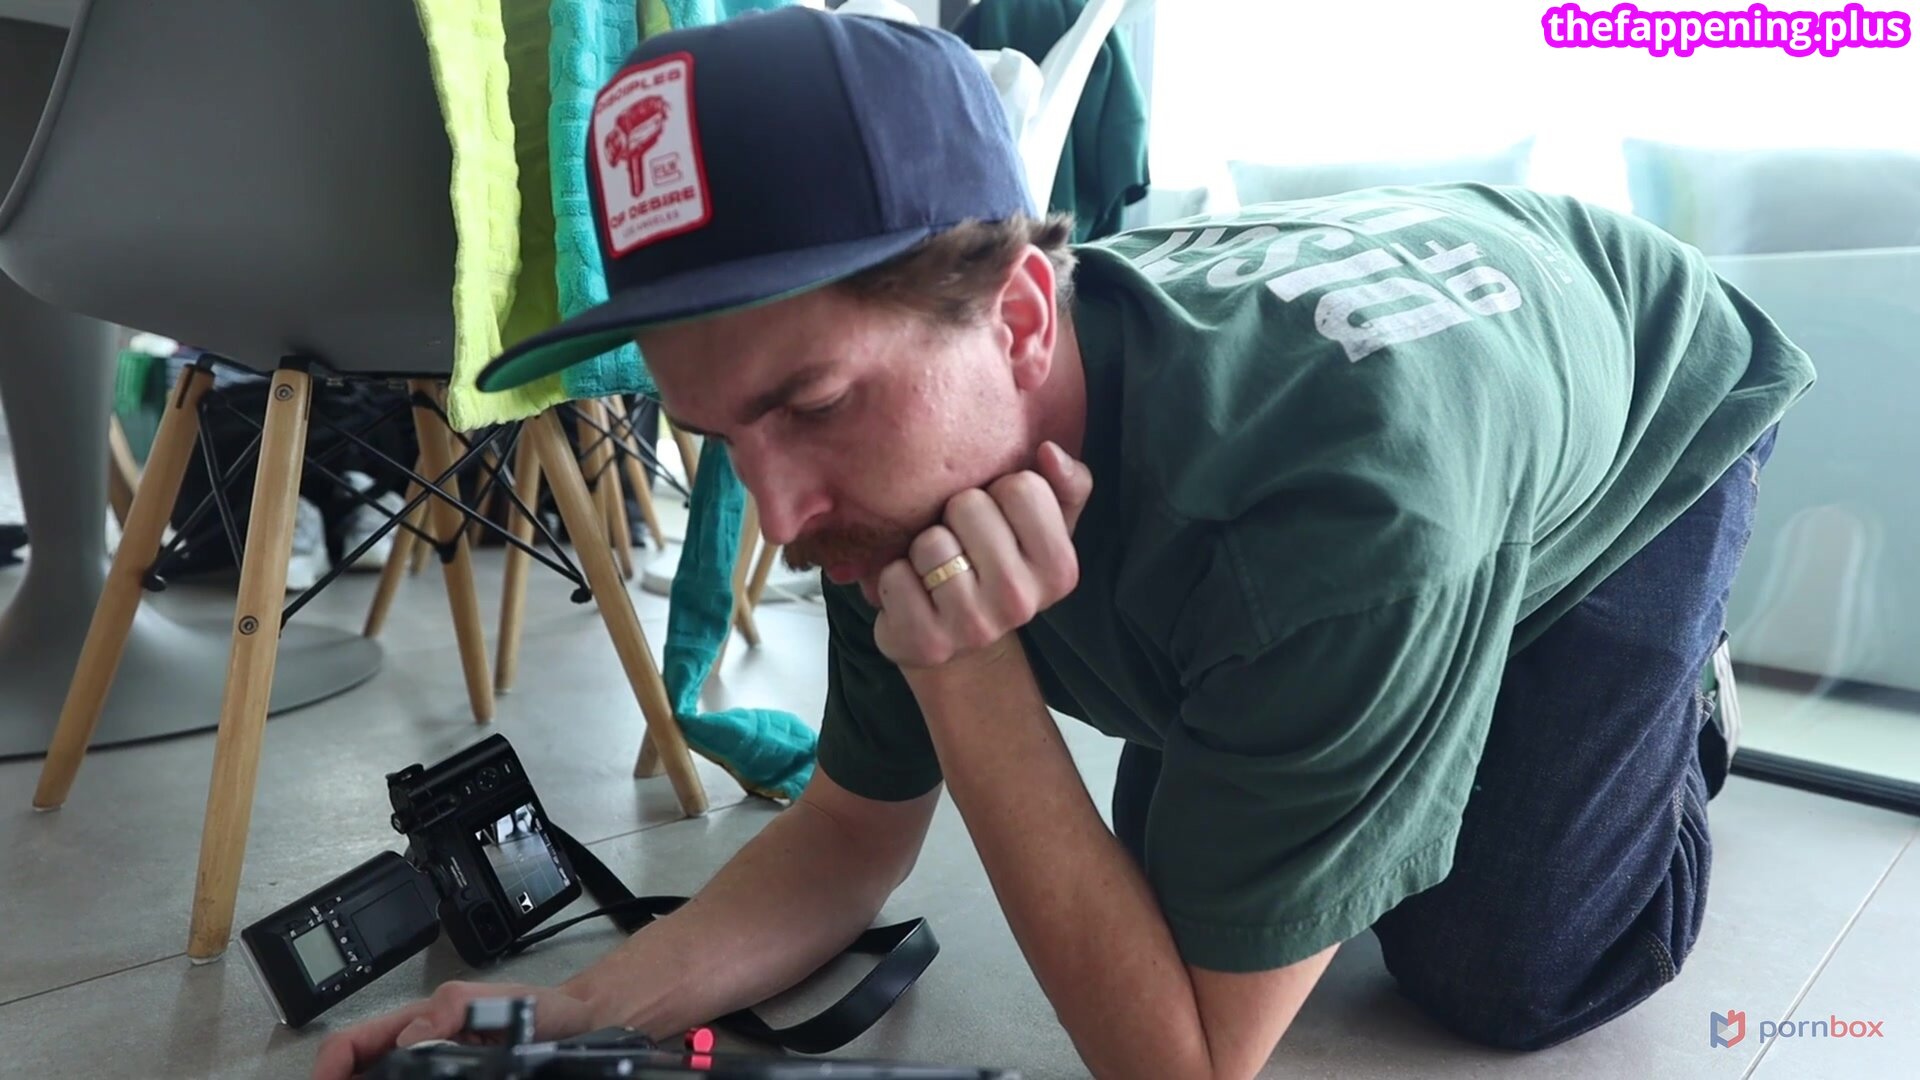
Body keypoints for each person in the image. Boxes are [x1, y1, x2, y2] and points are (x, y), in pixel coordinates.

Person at [314, 8, 1815, 1079]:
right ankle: (1426, 712)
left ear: (1023, 315)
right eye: (719, 436)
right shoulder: (883, 472)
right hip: (1405, 423)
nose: (781, 518)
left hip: (1646, 394)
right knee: (1182, 874)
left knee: (1498, 975)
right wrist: (563, 1017)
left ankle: (1663, 704)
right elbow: (847, 840)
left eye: (814, 406)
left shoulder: (1337, 521)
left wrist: (967, 669)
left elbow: (1186, 1063)